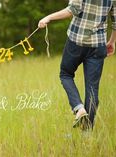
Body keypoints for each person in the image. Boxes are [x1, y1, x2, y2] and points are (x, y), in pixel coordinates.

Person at [38, 0, 115, 130]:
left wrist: (48, 17)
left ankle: (79, 108)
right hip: (98, 44)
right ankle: (87, 133)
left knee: (65, 74)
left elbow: (72, 10)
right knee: (92, 89)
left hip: (76, 41)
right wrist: (112, 41)